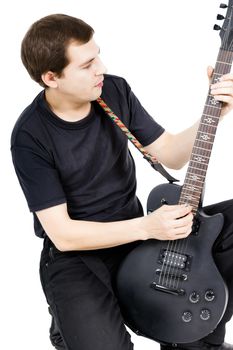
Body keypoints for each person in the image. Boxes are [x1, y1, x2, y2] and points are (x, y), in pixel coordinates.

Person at [10, 13, 233, 350]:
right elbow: (64, 234)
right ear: (51, 77)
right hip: (78, 255)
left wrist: (216, 110)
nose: (100, 67)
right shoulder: (30, 136)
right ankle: (68, 324)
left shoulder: (112, 90)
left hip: (138, 234)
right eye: (86, 65)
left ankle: (199, 337)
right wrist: (148, 227)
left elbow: (170, 154)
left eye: (97, 54)